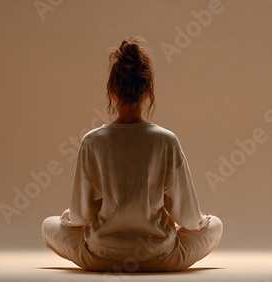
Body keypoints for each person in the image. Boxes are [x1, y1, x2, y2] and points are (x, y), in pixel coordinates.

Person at [41, 36, 223, 272]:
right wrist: (202, 220)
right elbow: (187, 218)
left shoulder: (92, 141)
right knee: (216, 225)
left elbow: (80, 216)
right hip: (159, 256)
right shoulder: (166, 140)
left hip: (102, 256)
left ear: (112, 92)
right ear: (147, 92)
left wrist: (68, 218)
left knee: (48, 225)